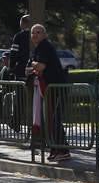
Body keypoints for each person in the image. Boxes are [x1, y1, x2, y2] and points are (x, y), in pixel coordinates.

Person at [28, 24, 69, 161]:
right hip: (48, 89)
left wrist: (32, 63)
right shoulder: (38, 48)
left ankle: (63, 150)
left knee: (55, 119)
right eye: (33, 33)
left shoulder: (45, 46)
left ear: (45, 35)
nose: (35, 35)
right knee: (50, 120)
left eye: (38, 32)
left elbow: (40, 66)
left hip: (57, 88)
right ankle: (55, 149)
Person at [10, 15, 31, 80]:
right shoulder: (36, 36)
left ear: (23, 23)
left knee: (20, 89)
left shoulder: (19, 36)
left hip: (21, 68)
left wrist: (11, 66)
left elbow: (14, 52)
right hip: (33, 70)